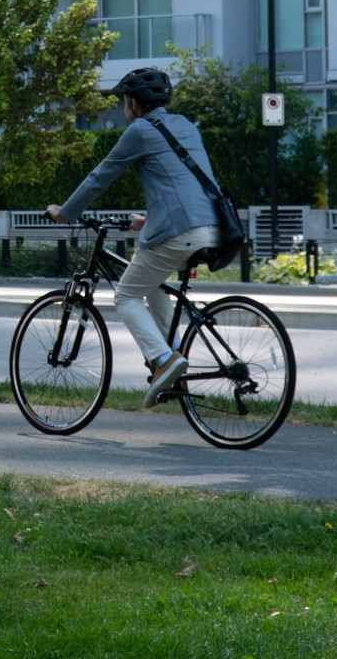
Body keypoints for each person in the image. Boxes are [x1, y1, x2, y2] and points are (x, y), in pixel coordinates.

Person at [46, 67, 221, 408]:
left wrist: (66, 212)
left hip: (177, 231)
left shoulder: (140, 130)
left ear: (134, 102)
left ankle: (164, 360)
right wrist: (150, 219)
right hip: (211, 226)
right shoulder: (185, 125)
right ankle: (175, 361)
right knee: (152, 284)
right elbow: (184, 182)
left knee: (125, 297)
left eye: (124, 102)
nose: (123, 109)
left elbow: (100, 177)